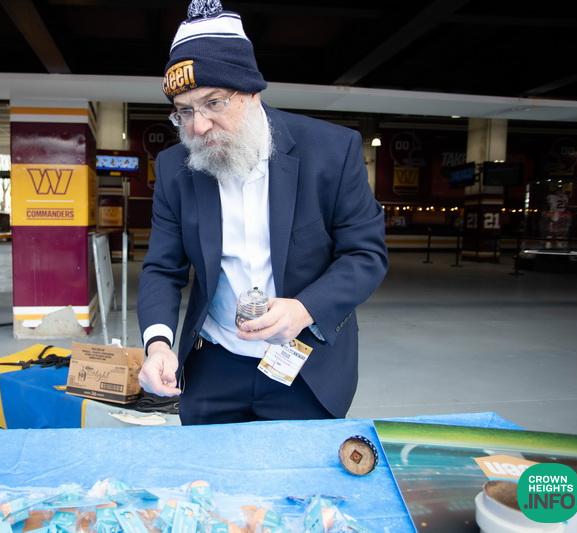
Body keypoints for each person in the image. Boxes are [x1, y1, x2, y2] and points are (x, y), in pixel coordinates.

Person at [137, 0, 388, 425]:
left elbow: (365, 255)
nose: (198, 126)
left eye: (213, 103)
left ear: (251, 92)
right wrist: (158, 345)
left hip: (305, 365)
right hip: (213, 364)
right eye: (184, 110)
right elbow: (163, 268)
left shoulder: (331, 151)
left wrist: (304, 308)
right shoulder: (175, 168)